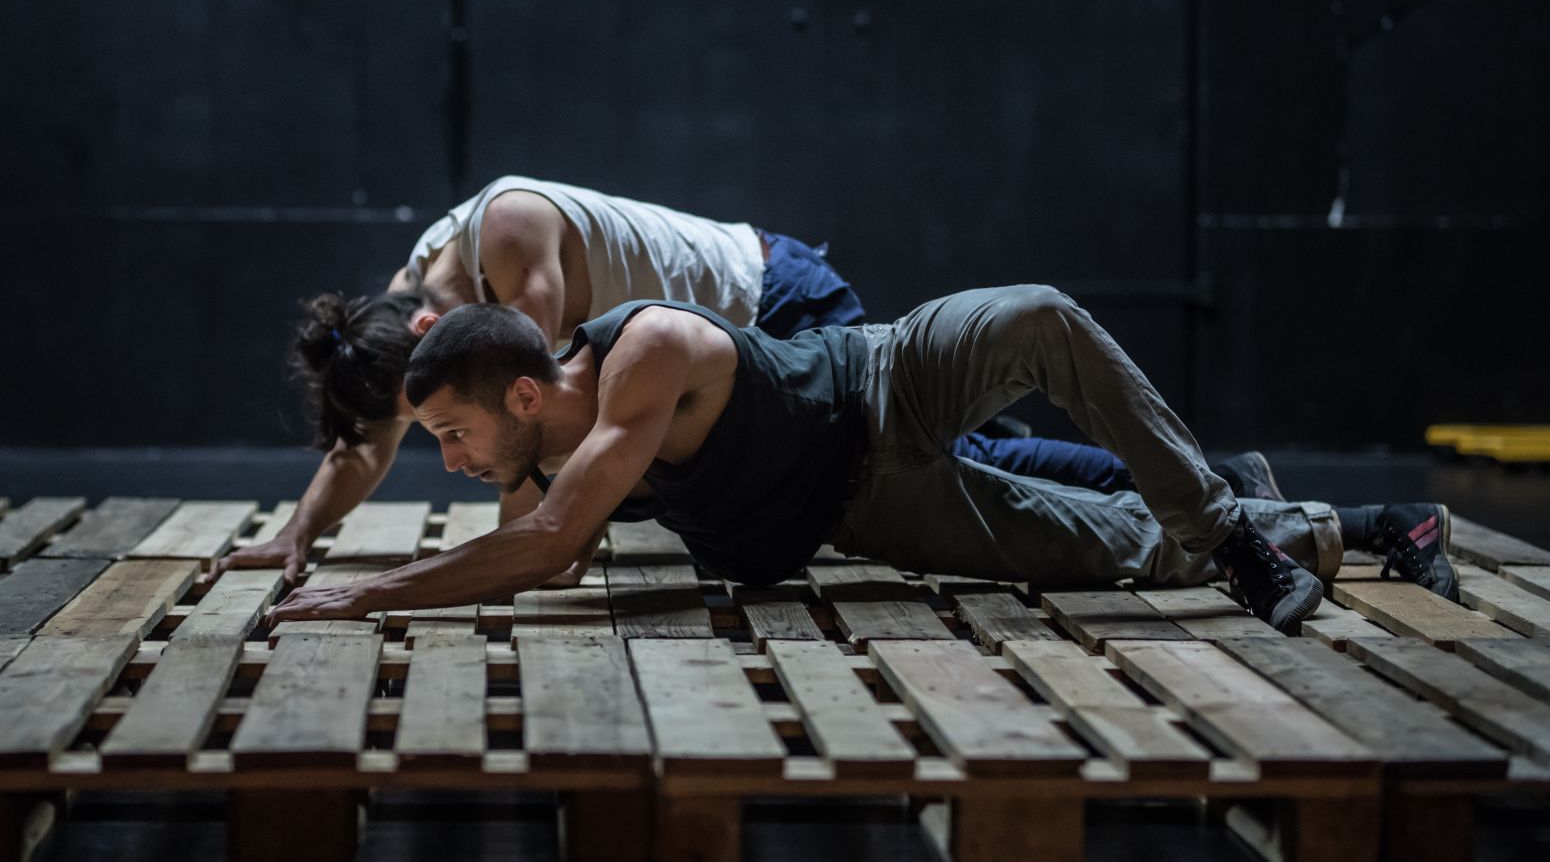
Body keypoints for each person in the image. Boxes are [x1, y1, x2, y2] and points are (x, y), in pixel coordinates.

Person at [220, 176, 1279, 583]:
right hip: (698, 358)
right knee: (963, 468)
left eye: (442, 427)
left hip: (771, 298)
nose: (433, 445)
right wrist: (300, 532)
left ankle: (1211, 487)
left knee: (966, 451)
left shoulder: (507, 241)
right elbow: (374, 433)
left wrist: (525, 551)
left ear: (431, 329)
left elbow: (534, 445)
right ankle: (1204, 489)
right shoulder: (408, 313)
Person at [265, 288, 1459, 635]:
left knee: (1039, 316)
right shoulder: (549, 450)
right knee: (1121, 552)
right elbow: (547, 555)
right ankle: (1372, 527)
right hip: (877, 510)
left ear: (521, 395)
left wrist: (368, 592)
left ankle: (1232, 532)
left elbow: (545, 548)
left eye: (454, 435)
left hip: (883, 378)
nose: (451, 460)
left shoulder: (641, 353)